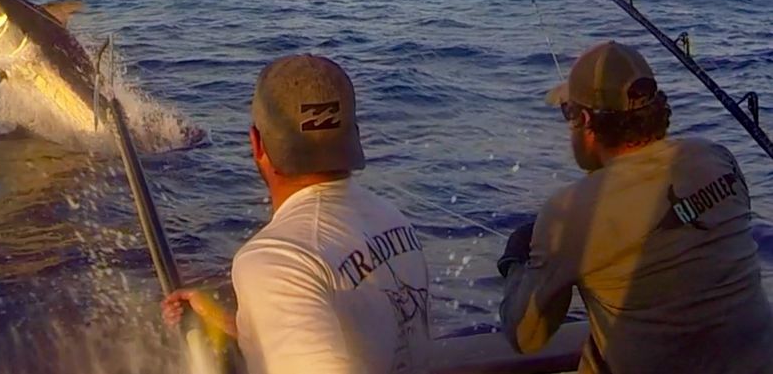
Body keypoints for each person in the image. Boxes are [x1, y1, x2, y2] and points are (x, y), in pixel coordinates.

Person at [497, 41, 773, 373]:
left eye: (568, 112)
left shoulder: (569, 211)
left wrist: (516, 261)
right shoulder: (716, 157)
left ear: (584, 120)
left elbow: (526, 336)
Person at [162, 54, 431, 373]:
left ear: (256, 144)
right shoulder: (393, 220)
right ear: (355, 136)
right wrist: (235, 324)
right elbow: (359, 338)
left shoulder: (276, 260)